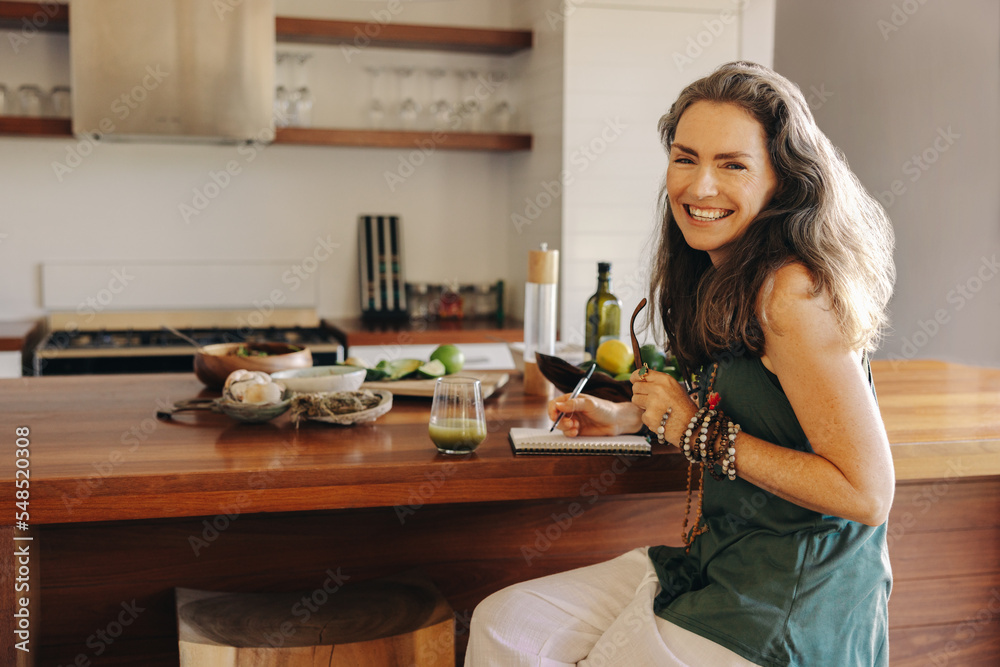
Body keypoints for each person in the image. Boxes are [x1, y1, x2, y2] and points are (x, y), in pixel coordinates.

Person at [465, 61, 896, 667]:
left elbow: (866, 493)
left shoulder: (791, 292)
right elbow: (725, 400)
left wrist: (698, 430)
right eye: (686, 157)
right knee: (507, 626)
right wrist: (630, 419)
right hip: (714, 562)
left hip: (789, 602)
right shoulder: (720, 273)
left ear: (783, 180)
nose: (699, 187)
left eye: (734, 165)